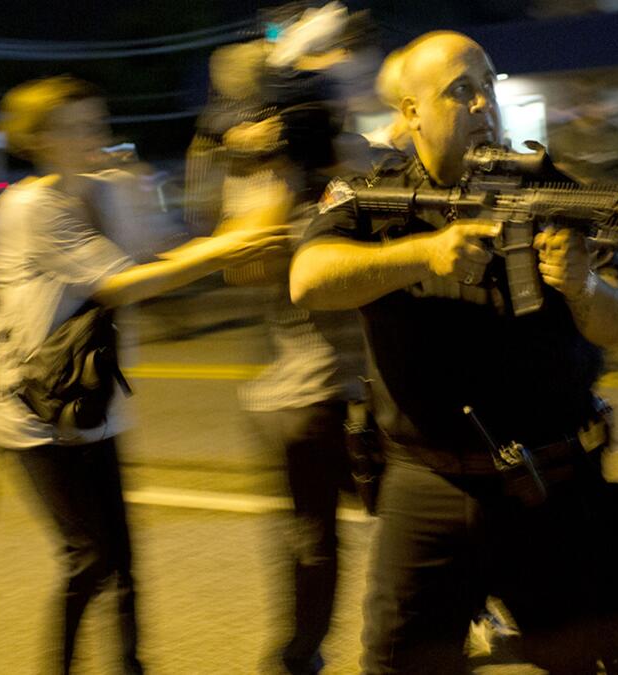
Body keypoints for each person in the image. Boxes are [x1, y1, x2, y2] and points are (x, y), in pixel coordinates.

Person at [289, 31, 618, 674]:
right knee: (400, 661)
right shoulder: (372, 198)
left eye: (489, 87)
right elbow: (308, 278)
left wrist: (582, 285)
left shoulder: (552, 187)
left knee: (592, 653)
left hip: (550, 485)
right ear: (412, 111)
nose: (482, 105)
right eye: (460, 91)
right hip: (426, 484)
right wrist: (421, 252)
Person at [0, 76, 288, 674]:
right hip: (34, 406)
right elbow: (120, 282)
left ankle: (133, 666)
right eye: (77, 126)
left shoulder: (109, 190)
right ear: (38, 140)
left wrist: (238, 207)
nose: (95, 133)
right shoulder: (27, 208)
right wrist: (225, 251)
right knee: (86, 556)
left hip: (93, 395)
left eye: (97, 119)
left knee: (122, 558)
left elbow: (164, 250)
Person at [210, 5, 375, 672]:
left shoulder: (358, 164)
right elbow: (240, 266)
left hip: (372, 386)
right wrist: (276, 178)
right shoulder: (258, 178)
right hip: (303, 398)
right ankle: (299, 652)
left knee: (439, 510)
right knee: (313, 540)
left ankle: (461, 611)